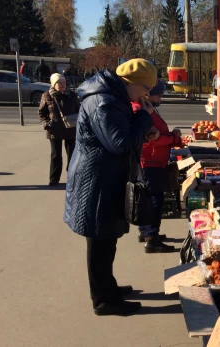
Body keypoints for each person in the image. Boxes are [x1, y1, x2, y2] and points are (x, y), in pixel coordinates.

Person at [64, 58, 160, 316]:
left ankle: (109, 287)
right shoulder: (104, 101)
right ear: (131, 83)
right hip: (96, 182)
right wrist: (142, 117)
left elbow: (120, 135)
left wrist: (142, 126)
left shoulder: (112, 97)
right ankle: (104, 300)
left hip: (105, 178)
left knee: (108, 239)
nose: (146, 94)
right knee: (100, 241)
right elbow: (119, 144)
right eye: (144, 89)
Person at [132, 79, 181, 252]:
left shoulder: (146, 108)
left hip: (150, 160)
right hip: (150, 162)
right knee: (154, 200)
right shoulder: (143, 110)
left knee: (147, 198)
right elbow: (154, 139)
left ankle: (145, 231)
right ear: (147, 93)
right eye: (158, 94)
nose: (160, 97)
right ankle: (151, 238)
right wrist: (174, 138)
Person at [38, 73, 79, 186]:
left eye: (64, 82)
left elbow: (79, 111)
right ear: (54, 84)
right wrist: (46, 123)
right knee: (56, 155)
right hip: (54, 130)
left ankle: (72, 178)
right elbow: (42, 113)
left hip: (70, 129)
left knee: (72, 156)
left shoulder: (72, 95)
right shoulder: (47, 95)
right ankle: (54, 179)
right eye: (59, 83)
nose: (62, 84)